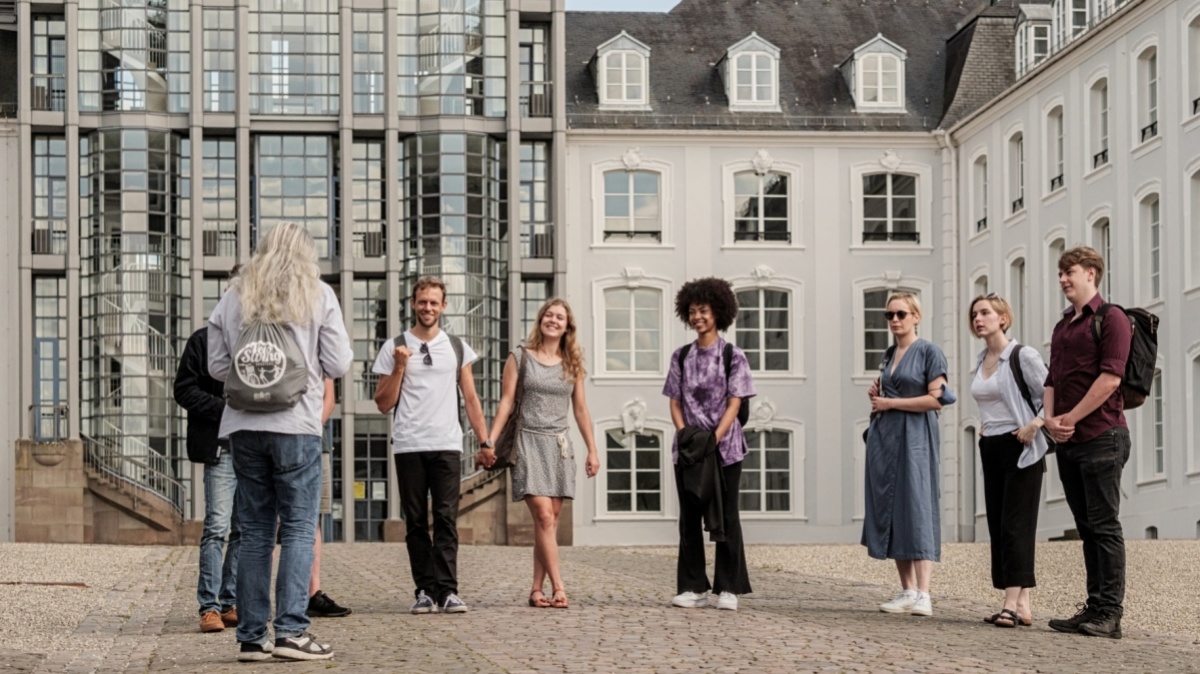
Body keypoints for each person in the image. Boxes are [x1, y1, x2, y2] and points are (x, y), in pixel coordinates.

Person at [209, 222, 353, 662]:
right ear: (305, 254)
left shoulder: (235, 295)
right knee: (296, 529)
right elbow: (340, 361)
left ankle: (252, 637)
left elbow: (217, 366)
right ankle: (291, 632)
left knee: (253, 531)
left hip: (245, 425)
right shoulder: (317, 293)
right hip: (296, 423)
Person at [372, 276, 490, 615]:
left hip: (446, 443)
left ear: (444, 306)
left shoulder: (456, 346)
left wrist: (485, 440)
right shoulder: (394, 346)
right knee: (415, 522)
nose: (428, 308)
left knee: (446, 518)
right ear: (413, 303)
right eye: (422, 302)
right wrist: (399, 366)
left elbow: (470, 398)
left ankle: (448, 590)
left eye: (434, 302)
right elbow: (383, 402)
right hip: (409, 443)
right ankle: (424, 589)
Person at [478, 299, 600, 609]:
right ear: (541, 319)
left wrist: (592, 450)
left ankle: (536, 589)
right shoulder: (520, 357)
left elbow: (581, 410)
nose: (553, 320)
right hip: (528, 444)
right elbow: (506, 402)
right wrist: (489, 441)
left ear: (567, 326)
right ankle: (559, 587)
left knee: (549, 522)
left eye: (560, 317)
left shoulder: (572, 364)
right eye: (549, 314)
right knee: (544, 517)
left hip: (559, 446)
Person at [1043, 246, 1131, 640]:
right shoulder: (1063, 326)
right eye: (1061, 273)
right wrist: (1049, 420)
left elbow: (1111, 379)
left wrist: (1070, 419)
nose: (1063, 279)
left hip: (1102, 436)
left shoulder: (1112, 319)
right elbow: (1051, 380)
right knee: (1085, 526)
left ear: (1092, 274)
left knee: (1104, 526)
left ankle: (1110, 613)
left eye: (1070, 272)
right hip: (1068, 440)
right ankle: (1093, 607)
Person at [662, 278, 755, 612]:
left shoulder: (733, 355)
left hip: (725, 450)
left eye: (703, 310)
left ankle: (728, 588)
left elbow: (735, 402)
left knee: (727, 516)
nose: (697, 316)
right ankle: (692, 587)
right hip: (687, 451)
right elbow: (674, 401)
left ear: (718, 312)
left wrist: (713, 439)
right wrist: (687, 435)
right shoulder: (681, 355)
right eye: (692, 311)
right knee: (689, 517)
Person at [864, 292, 954, 617]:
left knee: (918, 504)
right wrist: (879, 395)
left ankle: (925, 594)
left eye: (901, 314)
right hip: (887, 438)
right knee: (891, 505)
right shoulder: (889, 354)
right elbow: (889, 393)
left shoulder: (929, 351)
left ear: (916, 316)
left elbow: (937, 399)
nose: (895, 320)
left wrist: (892, 403)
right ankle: (908, 589)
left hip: (916, 437)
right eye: (889, 315)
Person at [967, 293, 1049, 628]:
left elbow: (1052, 394)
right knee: (1000, 525)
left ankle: (1010, 605)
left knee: (1016, 525)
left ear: (1003, 318)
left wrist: (1035, 424)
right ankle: (1023, 605)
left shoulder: (1022, 355)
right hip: (991, 446)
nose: (978, 318)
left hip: (1022, 446)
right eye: (974, 314)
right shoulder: (980, 358)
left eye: (985, 312)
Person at [175, 325, 239, 634]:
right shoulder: (203, 340)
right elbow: (183, 389)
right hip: (221, 447)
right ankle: (209, 607)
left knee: (244, 531)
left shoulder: (263, 337)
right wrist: (225, 409)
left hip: (256, 448)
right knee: (217, 527)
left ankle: (229, 603)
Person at [308, 378, 352, 618]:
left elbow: (329, 397)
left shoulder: (317, 342)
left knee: (312, 520)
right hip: (276, 437)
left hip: (315, 441)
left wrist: (310, 428)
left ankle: (313, 594)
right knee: (268, 522)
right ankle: (258, 600)